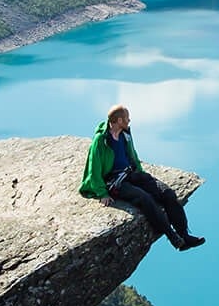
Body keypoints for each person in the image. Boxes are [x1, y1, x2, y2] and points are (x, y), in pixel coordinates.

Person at [79, 105, 203, 250]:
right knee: (145, 199)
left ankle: (184, 235)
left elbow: (133, 155)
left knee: (167, 193)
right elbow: (94, 167)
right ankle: (174, 239)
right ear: (119, 120)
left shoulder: (125, 134)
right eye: (126, 118)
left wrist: (142, 175)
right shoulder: (101, 140)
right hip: (115, 182)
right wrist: (102, 193)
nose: (129, 120)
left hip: (131, 173)